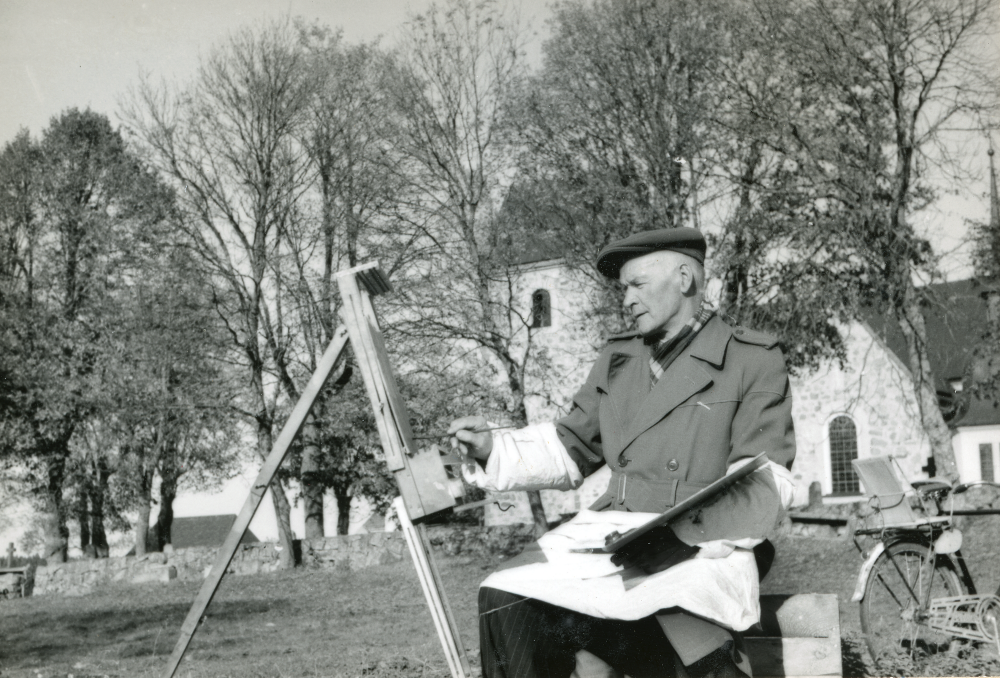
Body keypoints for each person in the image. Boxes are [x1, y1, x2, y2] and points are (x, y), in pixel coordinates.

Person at [448, 227, 796, 678]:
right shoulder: (619, 359)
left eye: (638, 285)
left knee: (674, 623)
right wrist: (491, 448)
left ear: (684, 278)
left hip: (705, 547)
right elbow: (571, 445)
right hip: (614, 540)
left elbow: (764, 481)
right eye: (623, 288)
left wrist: (681, 537)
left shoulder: (752, 358)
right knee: (503, 596)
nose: (627, 299)